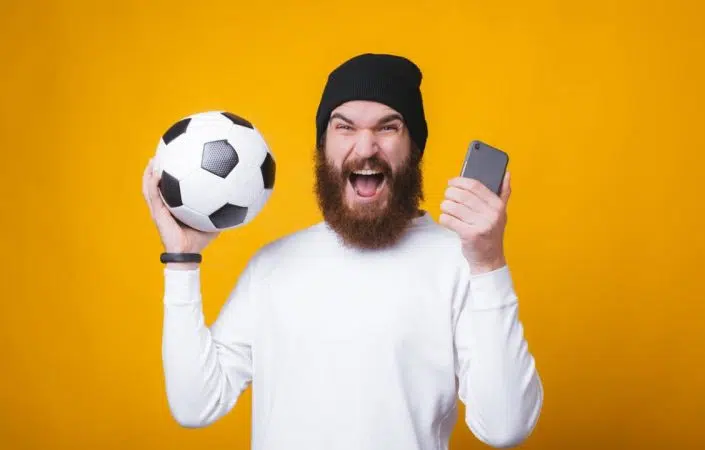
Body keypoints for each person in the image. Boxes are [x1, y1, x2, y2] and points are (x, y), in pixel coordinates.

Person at [142, 53, 543, 450]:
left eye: (388, 128)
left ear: (415, 149)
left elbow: (506, 426)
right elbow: (197, 405)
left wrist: (489, 264)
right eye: (345, 127)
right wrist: (182, 260)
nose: (366, 147)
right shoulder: (272, 266)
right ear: (323, 147)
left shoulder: (461, 262)